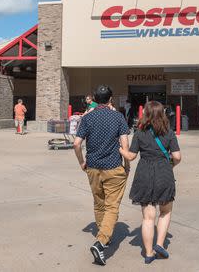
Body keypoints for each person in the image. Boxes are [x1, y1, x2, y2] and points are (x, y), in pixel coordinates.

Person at [73, 85, 130, 266]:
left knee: (99, 203)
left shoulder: (88, 118)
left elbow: (76, 143)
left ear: (96, 99)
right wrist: (127, 165)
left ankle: (104, 235)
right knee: (112, 207)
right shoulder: (118, 117)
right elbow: (124, 143)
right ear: (110, 99)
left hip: (93, 167)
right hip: (113, 167)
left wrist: (82, 161)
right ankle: (101, 242)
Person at [120, 101, 182, 264]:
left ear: (145, 114)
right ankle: (160, 244)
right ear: (163, 114)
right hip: (164, 173)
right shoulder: (169, 132)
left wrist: (120, 149)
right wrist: (170, 166)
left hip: (144, 173)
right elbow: (177, 157)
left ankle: (148, 253)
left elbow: (131, 156)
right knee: (165, 211)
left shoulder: (139, 133)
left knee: (148, 218)